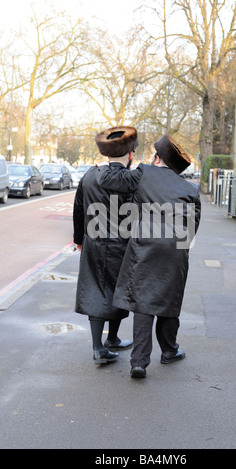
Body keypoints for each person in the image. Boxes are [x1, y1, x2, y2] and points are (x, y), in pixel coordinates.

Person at [97, 134, 201, 378]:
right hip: (175, 249)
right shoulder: (190, 188)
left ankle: (139, 362)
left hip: (145, 245)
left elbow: (109, 180)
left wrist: (106, 164)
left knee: (143, 303)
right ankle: (169, 351)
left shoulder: (143, 173)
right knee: (169, 300)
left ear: (157, 158)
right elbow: (193, 225)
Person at [73, 126, 139, 364]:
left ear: (107, 154)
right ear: (130, 154)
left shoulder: (89, 175)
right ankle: (109, 341)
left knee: (96, 289)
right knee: (119, 291)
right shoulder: (132, 179)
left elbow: (79, 208)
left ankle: (100, 345)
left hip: (93, 242)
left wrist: (79, 239)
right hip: (123, 244)